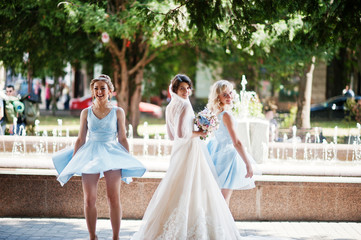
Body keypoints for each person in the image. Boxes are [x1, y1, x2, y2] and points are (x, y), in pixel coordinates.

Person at [132, 74, 242, 239]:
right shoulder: (184, 105)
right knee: (194, 186)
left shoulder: (170, 107)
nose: (186, 91)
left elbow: (171, 136)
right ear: (175, 90)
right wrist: (201, 132)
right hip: (190, 150)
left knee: (177, 186)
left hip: (178, 151)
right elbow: (182, 134)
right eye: (182, 88)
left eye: (188, 88)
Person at [52, 74, 146, 240]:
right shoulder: (85, 112)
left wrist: (126, 161)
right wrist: (73, 162)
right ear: (92, 91)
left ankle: (116, 237)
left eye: (103, 88)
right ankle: (92, 236)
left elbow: (122, 138)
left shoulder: (118, 112)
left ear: (110, 91)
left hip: (112, 153)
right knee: (89, 199)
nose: (99, 91)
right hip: (90, 154)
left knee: (113, 198)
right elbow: (81, 139)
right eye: (96, 88)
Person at [207, 80, 255, 206]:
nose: (229, 96)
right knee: (224, 199)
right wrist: (248, 163)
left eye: (230, 93)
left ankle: (219, 224)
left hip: (216, 152)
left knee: (220, 197)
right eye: (225, 94)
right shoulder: (226, 115)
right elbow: (236, 142)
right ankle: (222, 225)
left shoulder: (215, 113)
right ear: (218, 97)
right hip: (228, 157)